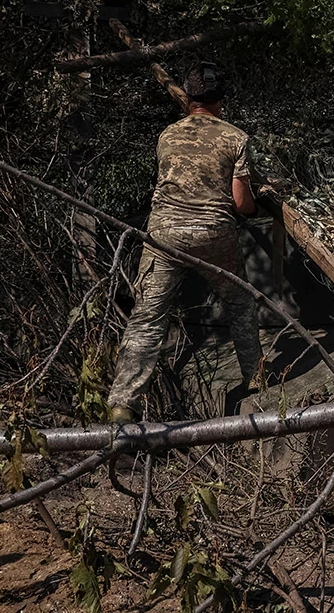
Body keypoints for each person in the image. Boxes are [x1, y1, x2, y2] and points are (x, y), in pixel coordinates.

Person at [107, 62, 263, 424]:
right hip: (214, 234)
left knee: (147, 316)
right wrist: (255, 206)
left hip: (165, 235)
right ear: (220, 100)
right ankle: (255, 380)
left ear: (189, 98)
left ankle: (123, 404)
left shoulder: (166, 135)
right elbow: (240, 202)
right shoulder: (236, 138)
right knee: (240, 301)